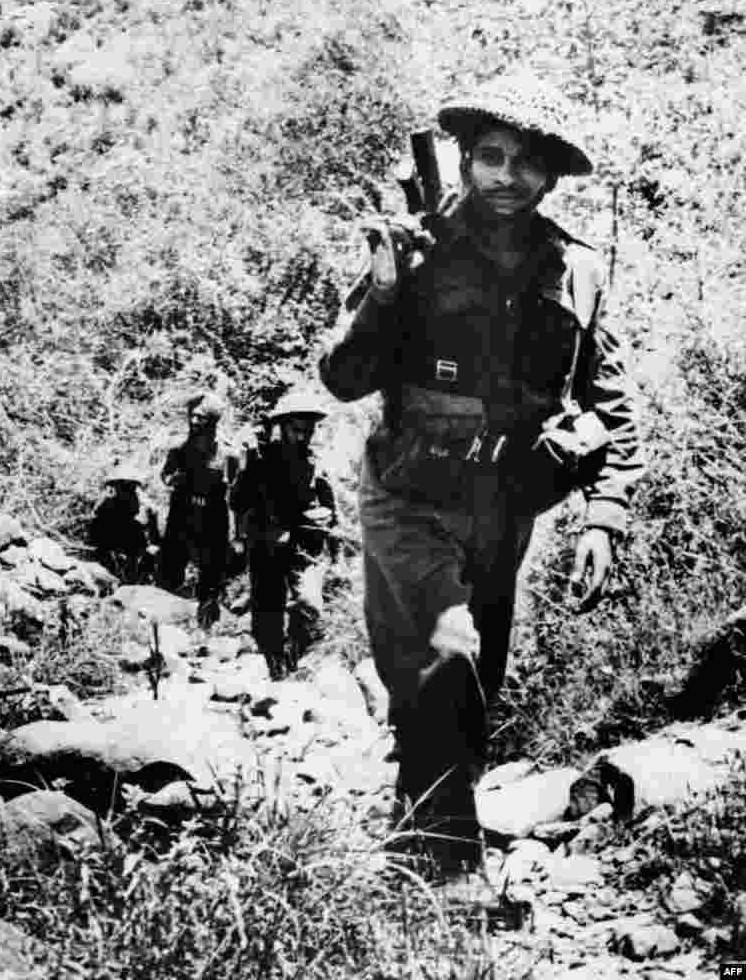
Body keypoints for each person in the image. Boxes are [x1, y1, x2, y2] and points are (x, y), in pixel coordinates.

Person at [319, 71, 644, 871]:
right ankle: (451, 870)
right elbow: (344, 378)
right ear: (464, 160)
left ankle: (416, 827)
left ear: (552, 176)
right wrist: (387, 292)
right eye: (492, 157)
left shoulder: (578, 269)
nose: (509, 176)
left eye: (529, 163)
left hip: (506, 502)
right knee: (448, 652)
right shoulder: (416, 247)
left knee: (473, 681)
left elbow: (612, 398)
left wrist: (606, 513)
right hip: (409, 490)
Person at [232, 390, 338, 680]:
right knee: (267, 608)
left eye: (308, 430)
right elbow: (237, 501)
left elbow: (330, 507)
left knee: (309, 605)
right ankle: (273, 668)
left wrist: (330, 536)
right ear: (282, 427)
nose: (303, 436)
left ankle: (295, 660)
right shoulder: (261, 459)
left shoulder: (315, 463)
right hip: (265, 545)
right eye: (296, 430)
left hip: (302, 547)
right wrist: (250, 465)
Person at [158, 391, 240, 629]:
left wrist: (238, 533)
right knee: (170, 567)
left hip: (213, 518)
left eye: (201, 418)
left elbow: (235, 492)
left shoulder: (228, 453)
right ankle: (164, 627)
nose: (194, 422)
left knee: (211, 573)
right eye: (192, 416)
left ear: (213, 421)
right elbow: (165, 475)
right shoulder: (178, 448)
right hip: (181, 514)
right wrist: (174, 479)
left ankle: (206, 627)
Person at [88, 464, 161, 583]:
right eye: (122, 486)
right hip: (112, 540)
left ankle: (133, 578)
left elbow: (151, 525)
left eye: (129, 486)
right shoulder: (108, 503)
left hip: (129, 540)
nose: (126, 490)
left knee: (140, 554)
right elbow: (97, 519)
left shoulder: (140, 504)